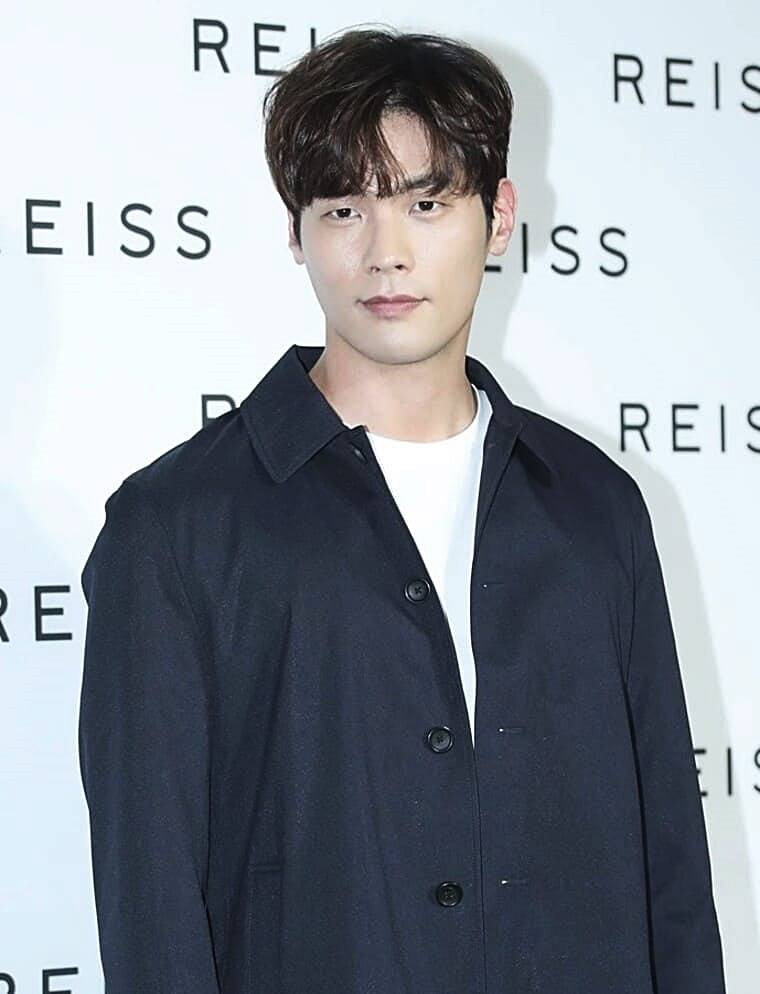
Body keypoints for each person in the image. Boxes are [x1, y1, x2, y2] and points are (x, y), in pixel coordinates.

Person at [77, 25, 726, 994]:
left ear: (498, 217)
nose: (386, 254)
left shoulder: (597, 510)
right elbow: (152, 913)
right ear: (295, 230)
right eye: (345, 209)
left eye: (427, 204)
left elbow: (670, 866)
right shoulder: (175, 530)